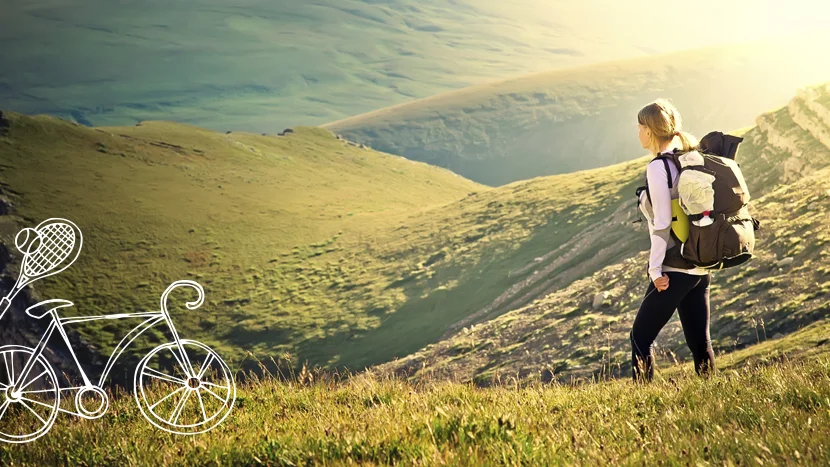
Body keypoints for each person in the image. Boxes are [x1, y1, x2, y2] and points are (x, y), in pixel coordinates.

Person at [630, 99, 716, 383]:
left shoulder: (658, 167)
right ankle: (713, 394)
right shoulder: (688, 158)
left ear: (651, 131)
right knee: (699, 343)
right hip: (699, 264)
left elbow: (663, 223)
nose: (638, 132)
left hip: (674, 267)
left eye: (640, 126)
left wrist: (655, 270)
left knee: (640, 337)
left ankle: (644, 401)